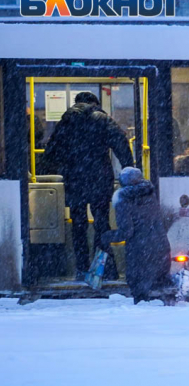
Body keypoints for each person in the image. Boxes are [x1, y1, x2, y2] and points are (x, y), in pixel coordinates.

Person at [42, 91, 134, 281]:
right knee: (101, 224)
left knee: (79, 225)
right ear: (95, 103)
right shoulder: (102, 119)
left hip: (74, 179)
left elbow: (50, 152)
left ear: (77, 103)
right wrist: (128, 169)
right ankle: (104, 270)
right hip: (100, 178)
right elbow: (121, 144)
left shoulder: (66, 121)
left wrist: (67, 161)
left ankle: (81, 269)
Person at [100, 167, 171, 304]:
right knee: (156, 291)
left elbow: (127, 231)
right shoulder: (149, 193)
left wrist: (107, 236)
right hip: (160, 245)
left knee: (139, 292)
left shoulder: (123, 200)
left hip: (139, 250)